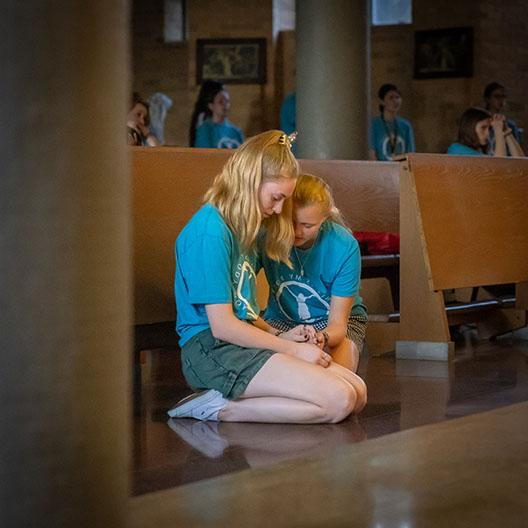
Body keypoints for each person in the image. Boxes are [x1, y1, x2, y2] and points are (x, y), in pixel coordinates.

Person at [169, 130, 367, 423]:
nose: (277, 210)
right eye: (276, 198)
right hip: (211, 350)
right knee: (338, 400)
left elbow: (244, 311)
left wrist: (279, 334)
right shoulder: (211, 231)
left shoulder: (243, 228)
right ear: (252, 180)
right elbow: (223, 326)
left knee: (357, 393)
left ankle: (229, 398)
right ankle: (217, 408)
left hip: (241, 344)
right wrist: (292, 351)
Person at [258, 174, 368, 373]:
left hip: (334, 323)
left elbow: (337, 324)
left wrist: (320, 338)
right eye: (291, 222)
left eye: (308, 226)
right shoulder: (267, 235)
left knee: (336, 379)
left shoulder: (344, 245)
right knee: (275, 375)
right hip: (281, 320)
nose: (298, 232)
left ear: (324, 218)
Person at [369, 83, 415, 161]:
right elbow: (371, 152)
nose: (395, 101)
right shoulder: (374, 124)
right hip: (381, 169)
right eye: (391, 98)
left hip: (401, 169)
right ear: (382, 101)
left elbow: (411, 153)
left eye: (397, 97)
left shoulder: (405, 125)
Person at [193, 81, 244, 149]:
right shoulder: (204, 130)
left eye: (227, 101)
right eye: (221, 102)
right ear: (211, 106)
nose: (225, 105)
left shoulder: (236, 132)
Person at [447, 107, 512, 157]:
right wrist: (498, 130)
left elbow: (520, 162)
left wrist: (507, 132)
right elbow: (499, 167)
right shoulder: (457, 149)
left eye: (489, 129)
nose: (488, 134)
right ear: (470, 128)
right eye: (483, 128)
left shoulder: (481, 150)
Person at [483, 82, 524, 157]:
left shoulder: (510, 124)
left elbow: (518, 155)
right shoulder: (481, 123)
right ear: (487, 99)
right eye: (497, 96)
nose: (501, 100)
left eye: (503, 97)